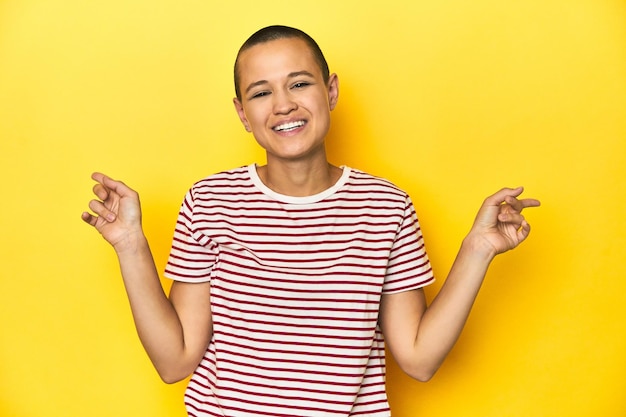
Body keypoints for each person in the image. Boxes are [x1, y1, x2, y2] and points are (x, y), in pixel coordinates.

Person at [82, 25, 540, 417]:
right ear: (243, 113)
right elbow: (175, 361)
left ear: (331, 91)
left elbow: (419, 359)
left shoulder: (387, 206)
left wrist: (477, 250)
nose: (282, 105)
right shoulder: (210, 202)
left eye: (299, 84)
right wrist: (130, 246)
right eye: (261, 92)